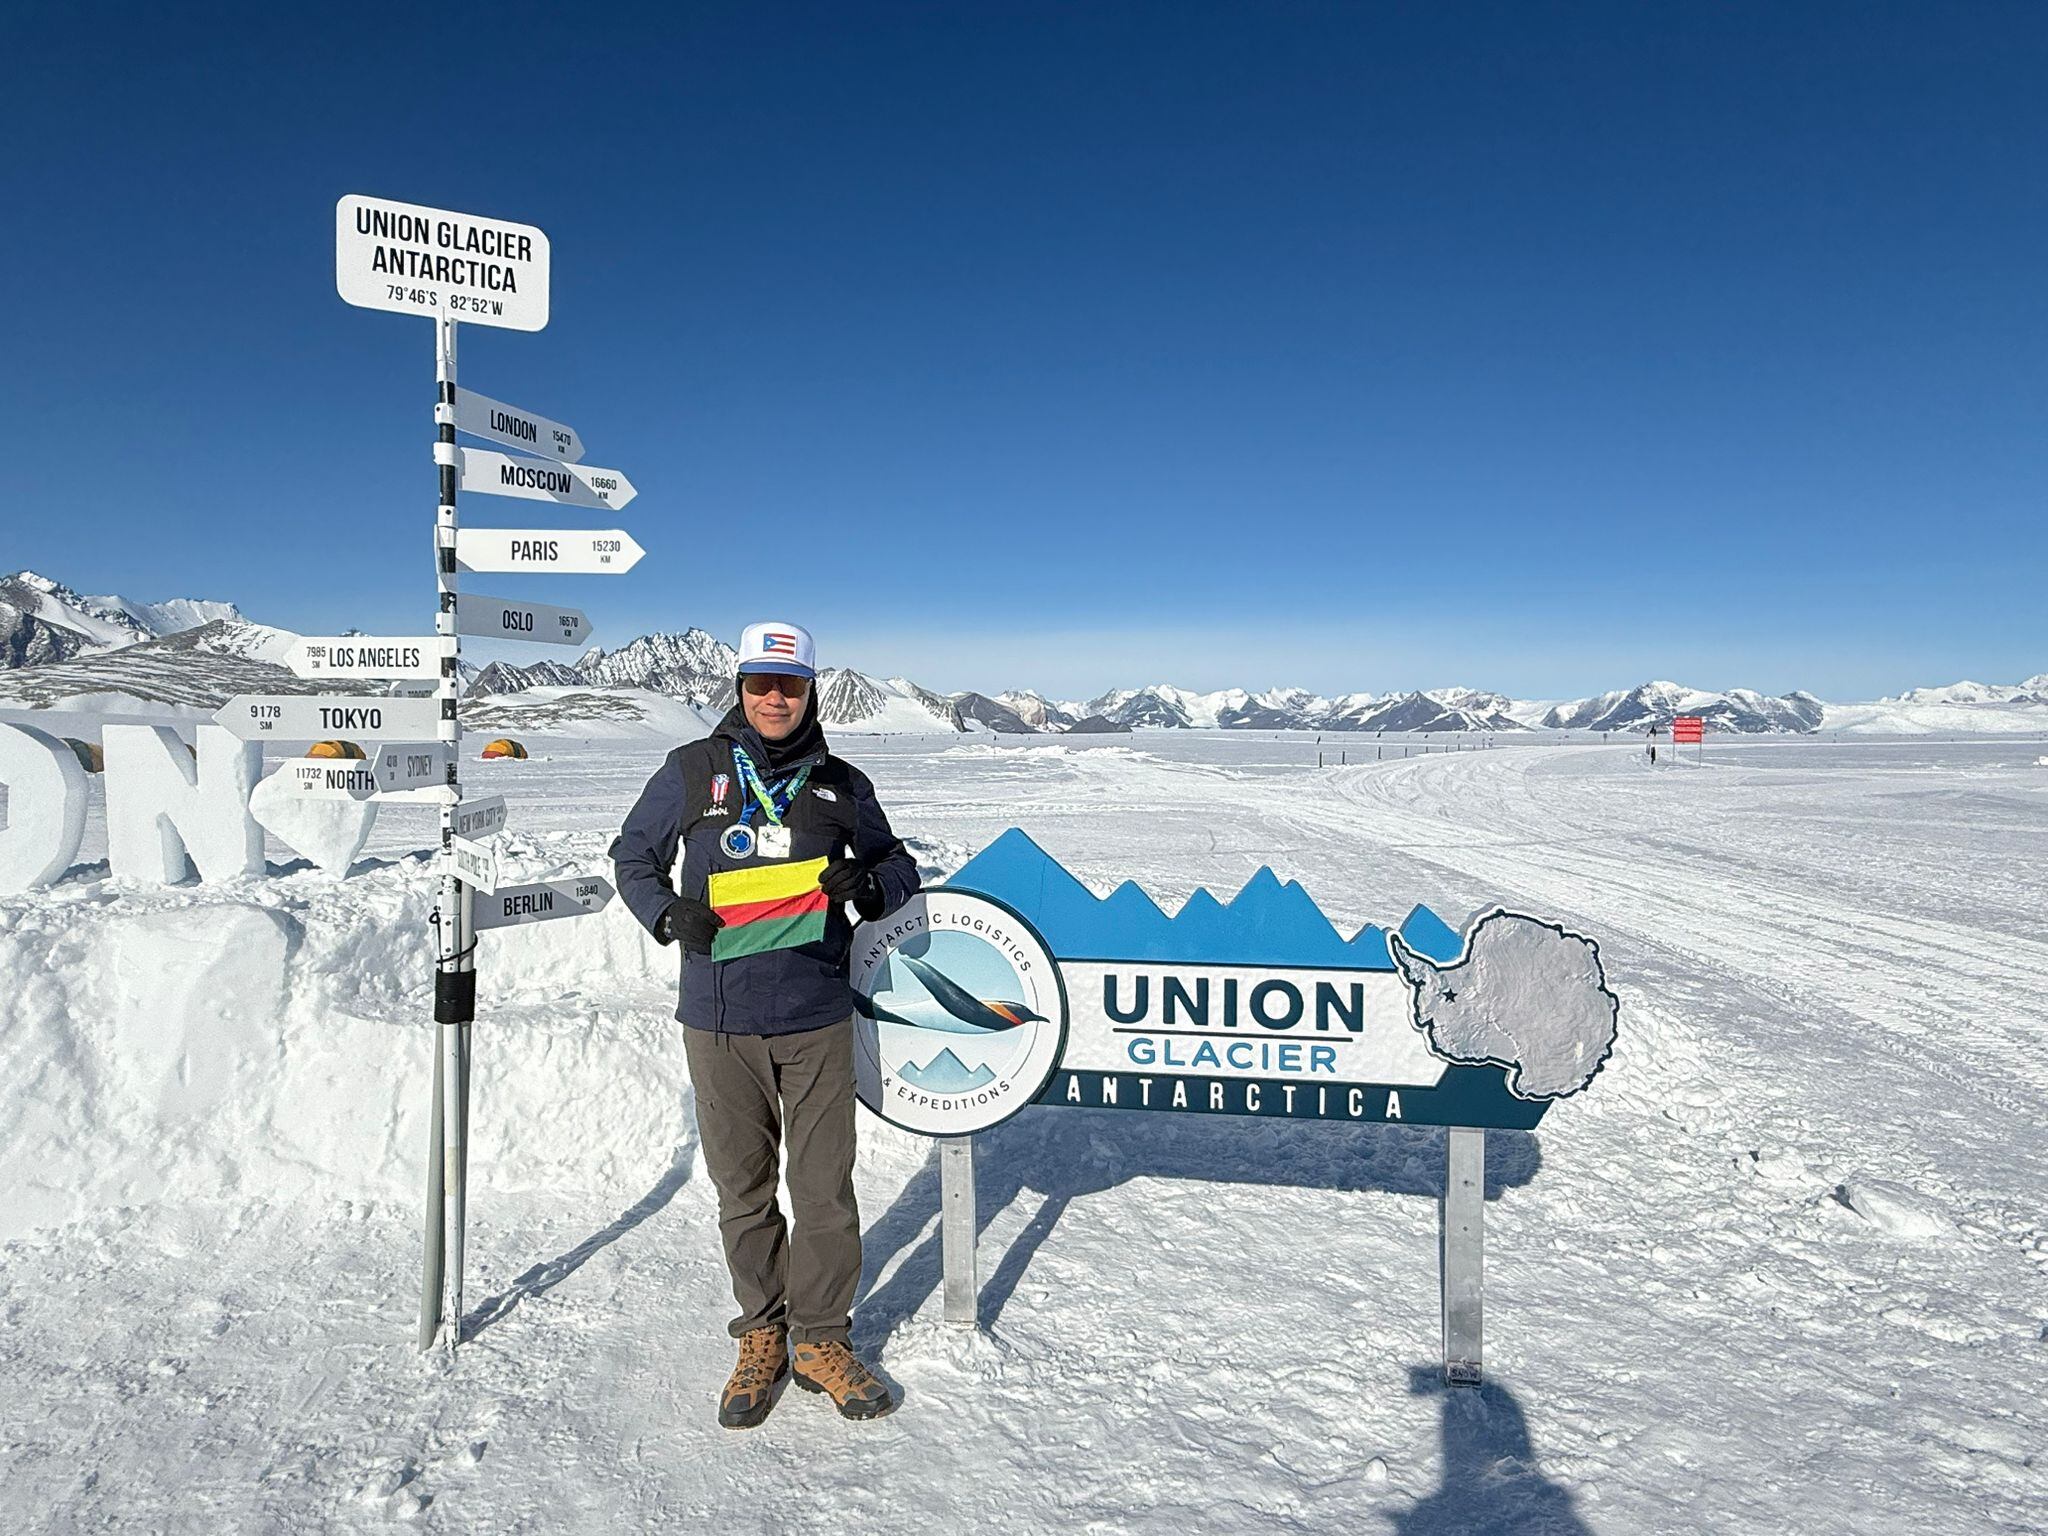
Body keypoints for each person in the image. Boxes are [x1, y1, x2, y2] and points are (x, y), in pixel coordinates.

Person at [610, 620, 919, 1429]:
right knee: (742, 1194)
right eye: (759, 683)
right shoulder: (693, 770)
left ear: (811, 688)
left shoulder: (841, 784)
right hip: (719, 1021)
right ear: (739, 688)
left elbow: (899, 865)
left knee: (823, 1193)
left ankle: (820, 1337)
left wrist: (872, 883)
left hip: (816, 1016)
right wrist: (669, 914)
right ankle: (762, 1332)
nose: (773, 697)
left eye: (788, 684)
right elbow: (631, 858)